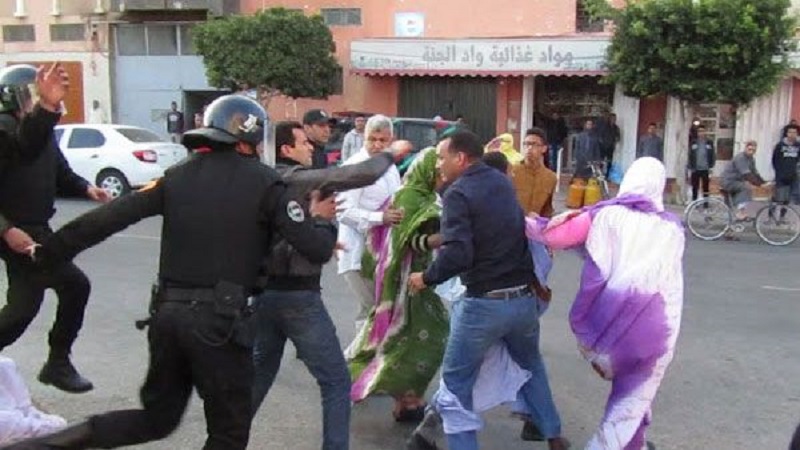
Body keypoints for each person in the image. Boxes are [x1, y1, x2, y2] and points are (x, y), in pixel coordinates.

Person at [8, 95, 338, 450]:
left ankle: (37, 447)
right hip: (220, 326)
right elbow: (316, 249)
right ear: (249, 139)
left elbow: (107, 218)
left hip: (168, 318)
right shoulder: (267, 184)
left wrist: (47, 253)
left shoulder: (176, 176)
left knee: (157, 419)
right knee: (228, 432)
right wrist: (322, 220)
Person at [251, 120, 408, 450]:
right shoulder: (293, 178)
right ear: (286, 149)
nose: (310, 146)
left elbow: (287, 234)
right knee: (336, 381)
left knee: (260, 374)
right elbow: (352, 178)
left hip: (266, 294)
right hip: (297, 297)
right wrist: (390, 155)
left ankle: (224, 440)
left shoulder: (264, 181)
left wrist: (316, 227)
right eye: (303, 142)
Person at [407, 130, 568, 450]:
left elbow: (458, 254)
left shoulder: (458, 193)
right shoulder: (502, 182)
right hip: (522, 301)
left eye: (441, 157)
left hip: (483, 305)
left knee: (456, 383)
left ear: (460, 158)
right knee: (530, 365)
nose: (438, 164)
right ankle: (553, 434)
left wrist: (425, 277)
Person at [526, 157, 684, 450]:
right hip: (658, 331)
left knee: (633, 401)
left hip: (611, 327)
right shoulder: (672, 227)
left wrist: (524, 220)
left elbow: (554, 235)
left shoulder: (606, 216)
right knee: (633, 398)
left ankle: (632, 444)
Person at [0, 64, 111, 394]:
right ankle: (58, 363)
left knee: (23, 308)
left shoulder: (40, 132)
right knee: (74, 285)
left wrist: (86, 187)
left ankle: (57, 363)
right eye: (31, 94)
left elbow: (59, 170)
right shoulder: (5, 129)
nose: (34, 101)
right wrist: (6, 230)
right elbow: (26, 144)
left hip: (36, 230)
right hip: (16, 232)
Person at [349, 147, 449, 423]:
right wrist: (435, 240)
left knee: (425, 336)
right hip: (403, 281)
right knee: (403, 337)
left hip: (423, 279)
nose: (442, 175)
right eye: (437, 170)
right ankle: (402, 396)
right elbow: (401, 242)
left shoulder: (431, 197)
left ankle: (408, 397)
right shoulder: (407, 197)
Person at [337, 115, 403, 350]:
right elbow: (343, 211)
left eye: (382, 140)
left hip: (381, 252)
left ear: (390, 140)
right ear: (363, 138)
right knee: (371, 310)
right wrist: (379, 218)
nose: (376, 145)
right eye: (371, 139)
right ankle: (359, 360)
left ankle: (368, 360)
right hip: (357, 253)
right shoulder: (356, 167)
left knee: (379, 310)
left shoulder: (389, 167)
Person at [512, 128, 557, 218]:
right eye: (526, 144)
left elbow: (547, 210)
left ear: (544, 148)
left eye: (534, 144)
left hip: (535, 224)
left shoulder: (551, 177)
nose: (529, 148)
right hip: (513, 222)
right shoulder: (513, 171)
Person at [720, 141, 765, 220]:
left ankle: (730, 216)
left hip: (736, 181)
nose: (751, 152)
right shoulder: (740, 158)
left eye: (753, 150)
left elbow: (754, 172)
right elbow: (746, 174)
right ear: (745, 148)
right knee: (745, 187)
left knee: (744, 187)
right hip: (728, 181)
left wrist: (763, 182)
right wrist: (758, 184)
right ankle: (740, 212)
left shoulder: (751, 159)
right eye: (749, 149)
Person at [772, 125, 800, 207]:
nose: (792, 134)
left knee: (789, 198)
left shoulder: (798, 145)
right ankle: (772, 211)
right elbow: (775, 160)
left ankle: (783, 213)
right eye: (790, 132)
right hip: (781, 176)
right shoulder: (780, 146)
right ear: (786, 133)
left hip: (793, 175)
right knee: (779, 198)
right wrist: (779, 172)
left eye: (794, 132)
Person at [688, 124, 715, 201]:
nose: (701, 133)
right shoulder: (693, 142)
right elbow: (690, 154)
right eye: (699, 131)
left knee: (705, 187)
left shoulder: (709, 142)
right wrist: (690, 166)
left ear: (705, 132)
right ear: (697, 133)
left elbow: (712, 154)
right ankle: (694, 202)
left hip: (705, 169)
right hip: (695, 168)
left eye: (702, 131)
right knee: (695, 187)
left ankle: (706, 203)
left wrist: (711, 166)